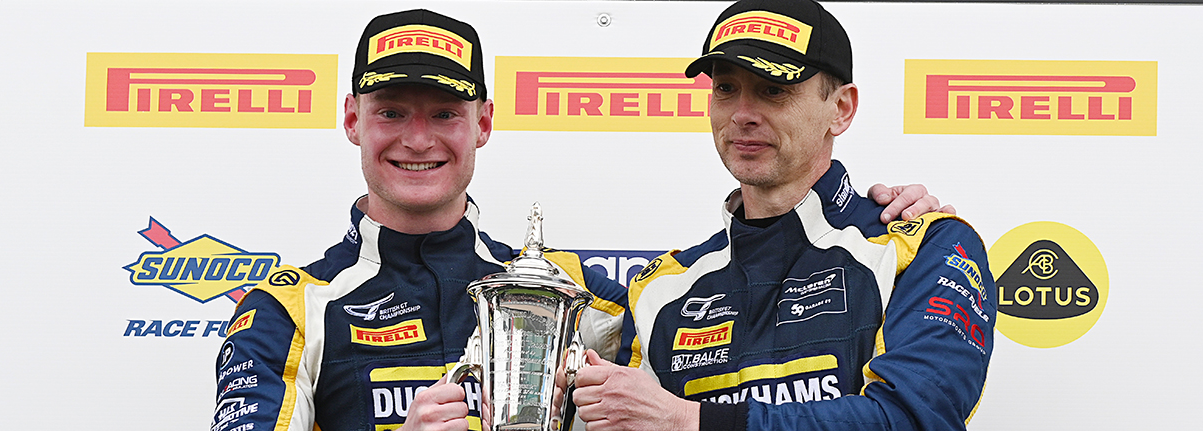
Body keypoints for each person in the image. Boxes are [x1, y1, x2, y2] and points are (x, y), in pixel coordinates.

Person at [211, 7, 954, 431]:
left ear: (484, 124)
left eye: (444, 112)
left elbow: (916, 416)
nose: (417, 138)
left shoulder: (593, 299)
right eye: (391, 113)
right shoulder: (286, 308)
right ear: (351, 120)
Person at [572, 1, 995, 431]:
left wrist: (687, 419)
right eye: (725, 88)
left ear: (842, 108)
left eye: (773, 90)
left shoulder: (921, 248)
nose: (742, 114)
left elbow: (912, 418)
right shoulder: (661, 289)